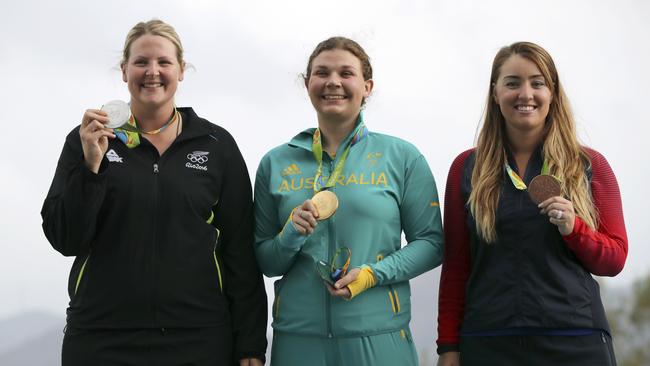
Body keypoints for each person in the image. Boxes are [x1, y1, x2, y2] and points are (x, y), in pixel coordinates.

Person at [41, 19, 267, 366]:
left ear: (181, 70)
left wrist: (251, 343)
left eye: (163, 62)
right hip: (102, 338)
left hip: (198, 337)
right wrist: (91, 167)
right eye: (141, 62)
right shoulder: (87, 139)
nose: (152, 72)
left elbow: (239, 251)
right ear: (124, 70)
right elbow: (64, 239)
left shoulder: (216, 145)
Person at [254, 36, 444, 366]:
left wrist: (374, 274)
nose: (333, 82)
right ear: (307, 83)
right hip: (299, 341)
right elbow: (267, 262)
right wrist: (290, 235)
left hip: (380, 336)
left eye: (346, 73)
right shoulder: (276, 163)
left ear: (367, 86)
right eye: (322, 73)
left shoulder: (401, 157)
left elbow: (431, 243)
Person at [436, 41, 628, 366]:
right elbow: (456, 268)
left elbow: (614, 259)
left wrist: (575, 229)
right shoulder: (466, 168)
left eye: (537, 83)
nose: (525, 94)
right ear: (495, 93)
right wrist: (448, 349)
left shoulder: (590, 164)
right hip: (489, 343)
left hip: (575, 341)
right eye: (512, 83)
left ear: (552, 93)